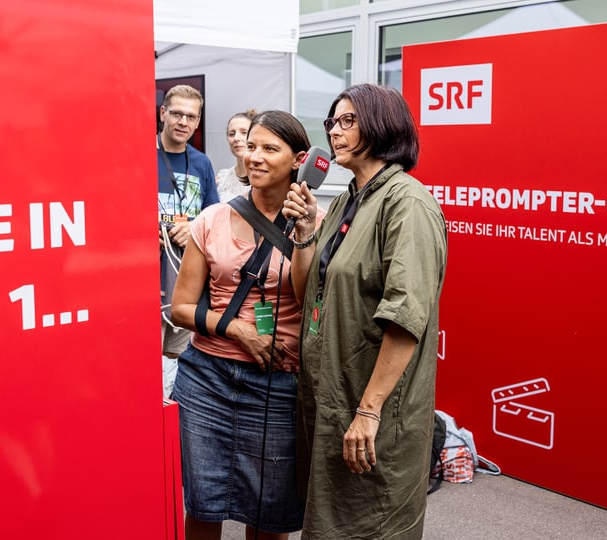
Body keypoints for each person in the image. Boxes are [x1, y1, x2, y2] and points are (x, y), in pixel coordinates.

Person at [282, 83, 448, 539]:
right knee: (331, 523)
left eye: (348, 120)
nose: (335, 131)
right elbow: (306, 294)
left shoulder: (407, 203)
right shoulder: (344, 201)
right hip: (335, 397)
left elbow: (406, 316)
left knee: (373, 522)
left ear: (383, 124)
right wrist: (302, 232)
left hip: (374, 410)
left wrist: (369, 411)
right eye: (332, 122)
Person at [170, 110, 324, 539]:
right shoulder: (212, 219)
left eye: (269, 149)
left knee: (269, 512)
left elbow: (305, 295)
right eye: (250, 146)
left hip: (277, 383)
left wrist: (305, 232)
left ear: (300, 160)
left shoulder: (315, 223)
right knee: (204, 501)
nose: (253, 156)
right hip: (207, 379)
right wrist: (237, 329)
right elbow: (181, 308)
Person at [158, 84, 219, 399]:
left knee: (179, 359)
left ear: (197, 122)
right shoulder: (139, 156)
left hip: (187, 282)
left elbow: (213, 219)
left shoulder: (201, 163)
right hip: (148, 283)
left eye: (191, 116)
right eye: (177, 113)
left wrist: (194, 227)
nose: (183, 121)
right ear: (163, 113)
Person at [214, 109, 258, 202]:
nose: (236, 138)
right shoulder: (222, 178)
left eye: (244, 132)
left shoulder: (264, 175)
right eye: (232, 134)